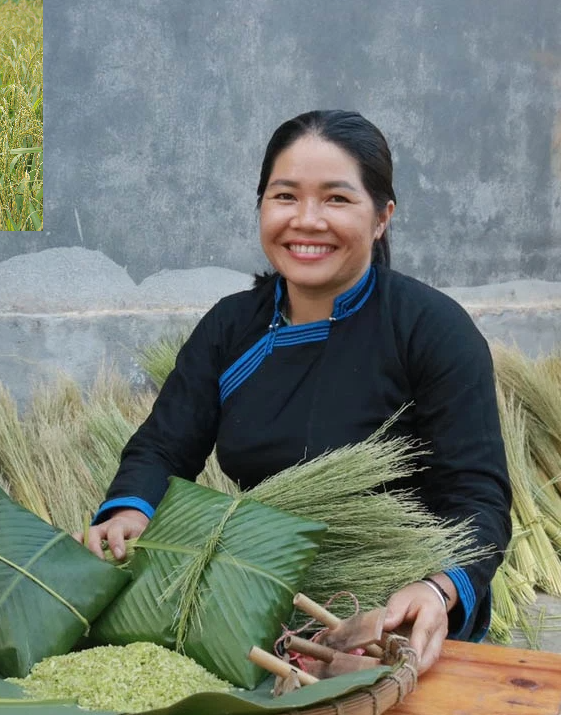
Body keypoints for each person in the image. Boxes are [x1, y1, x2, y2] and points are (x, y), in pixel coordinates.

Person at [81, 110, 512, 675]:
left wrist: (436, 589)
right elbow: (163, 447)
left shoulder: (433, 330)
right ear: (262, 205)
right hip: (251, 591)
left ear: (382, 217)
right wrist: (130, 510)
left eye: (337, 199)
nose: (306, 221)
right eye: (285, 196)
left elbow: (478, 497)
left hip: (388, 612)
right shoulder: (231, 328)